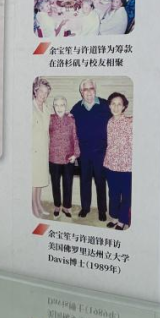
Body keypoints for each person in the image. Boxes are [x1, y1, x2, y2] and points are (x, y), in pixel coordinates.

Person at [71, 79, 111, 222]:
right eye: (85, 89)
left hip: (101, 152)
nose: (88, 92)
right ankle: (85, 208)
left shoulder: (105, 105)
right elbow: (71, 130)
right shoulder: (76, 108)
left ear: (95, 89)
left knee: (100, 181)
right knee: (85, 181)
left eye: (91, 88)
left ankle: (102, 210)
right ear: (81, 92)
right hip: (84, 153)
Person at [103, 92, 133, 231]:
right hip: (111, 164)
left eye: (119, 104)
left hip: (126, 166)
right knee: (113, 193)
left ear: (124, 106)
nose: (116, 107)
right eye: (113, 104)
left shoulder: (130, 122)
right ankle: (114, 217)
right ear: (109, 106)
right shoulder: (109, 122)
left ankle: (122, 220)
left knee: (126, 195)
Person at [48, 95, 80, 218]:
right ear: (53, 106)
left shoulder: (71, 120)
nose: (59, 108)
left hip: (68, 158)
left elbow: (75, 137)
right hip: (53, 158)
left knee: (67, 184)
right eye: (57, 105)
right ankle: (57, 205)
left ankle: (66, 207)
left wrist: (76, 154)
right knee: (55, 184)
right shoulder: (50, 119)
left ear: (66, 106)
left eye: (62, 105)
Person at [31, 78, 53, 217]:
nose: (43, 95)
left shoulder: (46, 108)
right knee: (34, 181)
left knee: (40, 180)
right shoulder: (29, 108)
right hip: (32, 150)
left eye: (46, 93)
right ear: (35, 91)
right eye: (41, 91)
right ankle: (33, 207)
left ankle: (39, 204)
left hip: (44, 149)